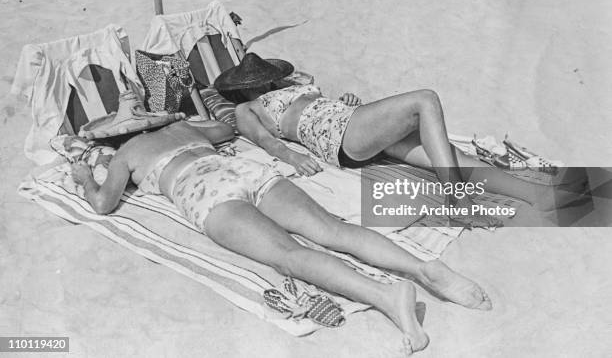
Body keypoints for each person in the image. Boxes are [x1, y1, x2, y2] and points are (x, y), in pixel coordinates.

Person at [72, 117, 494, 352]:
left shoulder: (126, 154)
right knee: (333, 229)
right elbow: (226, 129)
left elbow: (104, 203)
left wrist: (84, 177)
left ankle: (386, 297)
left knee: (288, 256)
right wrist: (188, 122)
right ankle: (423, 267)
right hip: (244, 169)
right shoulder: (183, 130)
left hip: (203, 191)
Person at [215, 54, 584, 227]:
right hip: (340, 138)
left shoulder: (293, 87)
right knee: (425, 99)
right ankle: (456, 198)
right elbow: (266, 142)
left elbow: (317, 108)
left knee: (446, 155)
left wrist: (341, 104)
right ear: (246, 88)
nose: (265, 83)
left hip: (351, 125)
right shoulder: (249, 109)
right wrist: (292, 158)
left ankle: (538, 196)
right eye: (258, 81)